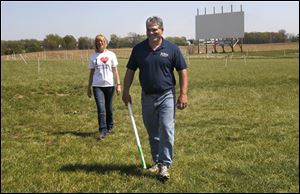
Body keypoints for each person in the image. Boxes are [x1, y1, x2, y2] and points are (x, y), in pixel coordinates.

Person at [122, 16, 188, 180]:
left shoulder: (172, 49)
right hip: (147, 97)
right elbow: (130, 71)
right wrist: (126, 91)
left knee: (166, 128)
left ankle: (164, 165)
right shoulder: (139, 49)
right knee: (153, 132)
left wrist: (183, 93)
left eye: (155, 29)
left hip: (166, 95)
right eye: (149, 30)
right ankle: (157, 161)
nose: (152, 33)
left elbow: (182, 71)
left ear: (162, 30)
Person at [87, 34, 121, 141]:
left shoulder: (111, 55)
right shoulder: (93, 57)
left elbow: (115, 71)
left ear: (105, 42)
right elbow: (92, 73)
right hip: (97, 86)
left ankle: (109, 126)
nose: (99, 43)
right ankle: (102, 130)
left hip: (109, 85)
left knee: (108, 108)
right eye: (97, 41)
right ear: (96, 43)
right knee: (101, 109)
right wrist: (89, 86)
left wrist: (118, 84)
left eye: (101, 41)